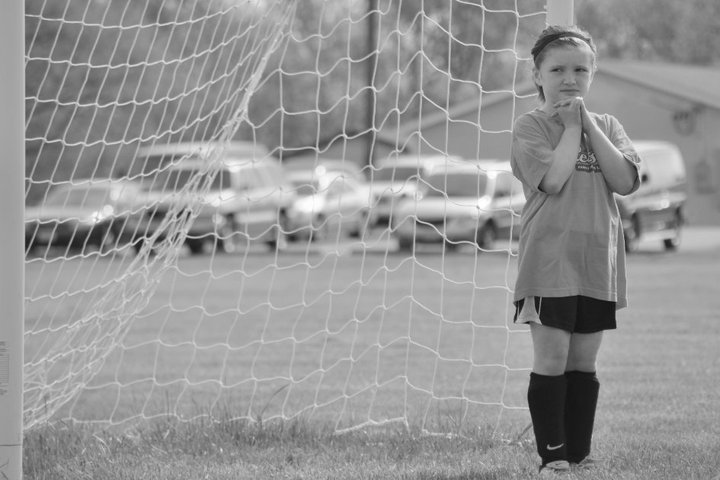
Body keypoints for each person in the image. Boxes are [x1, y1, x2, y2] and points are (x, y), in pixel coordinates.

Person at [510, 25, 641, 475]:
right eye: (557, 70)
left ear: (593, 74)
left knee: (583, 361)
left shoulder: (609, 126)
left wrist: (587, 126)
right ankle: (553, 457)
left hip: (597, 264)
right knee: (552, 358)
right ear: (537, 75)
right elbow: (553, 179)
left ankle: (579, 455)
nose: (570, 78)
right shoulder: (530, 126)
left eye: (580, 70)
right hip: (548, 263)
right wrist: (570, 127)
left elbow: (623, 181)